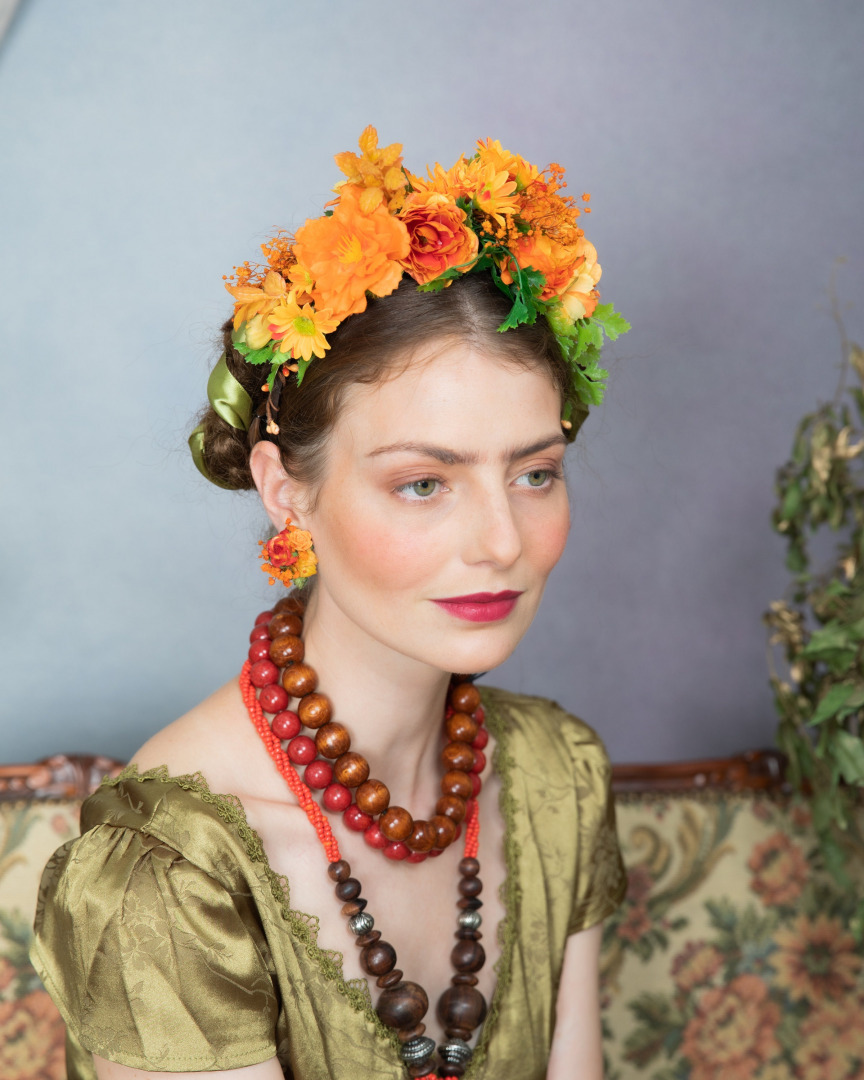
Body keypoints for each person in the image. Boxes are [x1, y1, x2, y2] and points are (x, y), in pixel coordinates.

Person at [31, 128, 630, 1080]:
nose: (503, 543)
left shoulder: (558, 779)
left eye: (535, 474)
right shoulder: (167, 872)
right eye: (423, 483)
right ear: (287, 491)